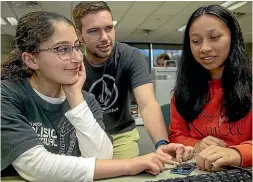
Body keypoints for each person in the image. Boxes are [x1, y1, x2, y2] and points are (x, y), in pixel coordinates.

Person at [1, 11, 191, 181]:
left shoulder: (86, 99)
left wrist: (75, 97)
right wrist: (132, 164)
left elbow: (101, 157)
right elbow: (35, 167)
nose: (77, 57)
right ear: (31, 59)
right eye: (62, 49)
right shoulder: (8, 95)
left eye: (76, 47)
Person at [72, 1, 194, 160]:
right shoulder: (72, 61)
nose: (104, 37)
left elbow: (147, 103)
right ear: (80, 35)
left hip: (121, 134)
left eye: (108, 28)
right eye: (94, 31)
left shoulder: (130, 56)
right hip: (83, 133)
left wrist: (162, 144)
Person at [169, 5, 252, 171]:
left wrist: (237, 153)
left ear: (233, 38)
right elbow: (176, 137)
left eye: (214, 37)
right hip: (200, 171)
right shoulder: (182, 94)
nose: (204, 48)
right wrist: (197, 145)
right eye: (196, 41)